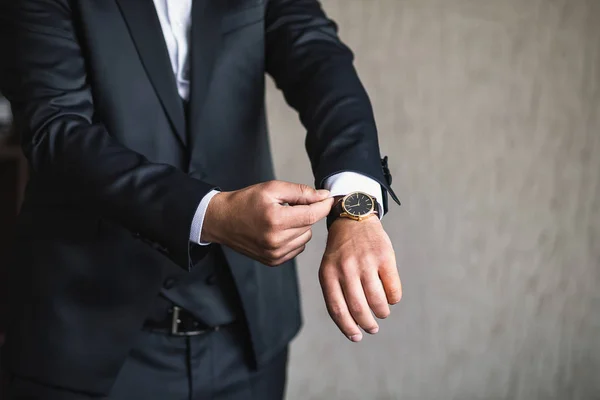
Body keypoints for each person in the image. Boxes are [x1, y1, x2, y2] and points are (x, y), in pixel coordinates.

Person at [0, 0, 402, 399]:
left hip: (245, 343)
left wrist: (354, 205)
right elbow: (57, 130)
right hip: (83, 341)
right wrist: (207, 215)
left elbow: (319, 60)